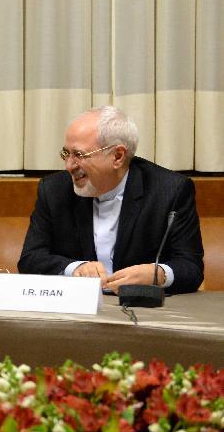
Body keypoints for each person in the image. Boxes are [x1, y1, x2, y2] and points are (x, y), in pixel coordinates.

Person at [18, 106, 204, 294]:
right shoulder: (54, 190)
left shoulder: (169, 191)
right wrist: (75, 268)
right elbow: (30, 259)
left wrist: (158, 274)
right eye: (66, 153)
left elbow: (191, 267)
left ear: (118, 156)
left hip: (141, 309)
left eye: (79, 155)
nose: (68, 166)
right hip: (77, 309)